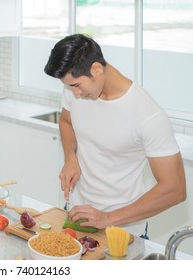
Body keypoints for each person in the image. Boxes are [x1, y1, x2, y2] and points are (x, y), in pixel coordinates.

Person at [44, 34, 186, 237]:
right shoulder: (75, 90)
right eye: (69, 87)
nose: (74, 93)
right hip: (76, 216)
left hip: (122, 229)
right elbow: (66, 122)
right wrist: (70, 157)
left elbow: (175, 189)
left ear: (96, 69)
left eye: (76, 85)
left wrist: (107, 218)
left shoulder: (148, 116)